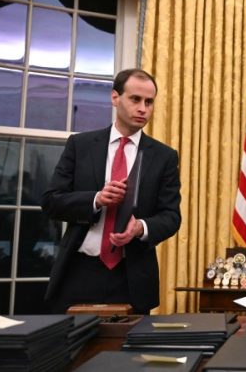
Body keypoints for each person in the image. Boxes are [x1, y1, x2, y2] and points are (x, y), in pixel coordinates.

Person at [41, 68, 182, 314]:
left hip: (132, 276)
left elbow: (171, 216)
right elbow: (51, 201)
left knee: (128, 352)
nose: (143, 108)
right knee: (75, 351)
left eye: (149, 102)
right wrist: (95, 199)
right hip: (80, 270)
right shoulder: (80, 145)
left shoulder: (164, 157)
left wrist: (141, 228)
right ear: (115, 98)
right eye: (135, 99)